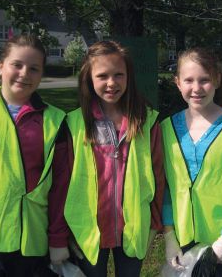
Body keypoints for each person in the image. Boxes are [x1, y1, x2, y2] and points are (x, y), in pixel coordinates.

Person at [0, 34, 68, 276]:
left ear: (41, 74)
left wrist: (58, 238)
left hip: (31, 238)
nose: (24, 73)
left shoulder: (54, 120)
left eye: (33, 68)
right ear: (0, 67)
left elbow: (60, 186)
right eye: (16, 65)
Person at [61, 40, 165, 277]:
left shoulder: (147, 120)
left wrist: (155, 223)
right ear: (89, 78)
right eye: (102, 76)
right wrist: (62, 230)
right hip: (87, 229)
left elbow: (158, 175)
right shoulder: (74, 123)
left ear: (129, 76)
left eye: (119, 74)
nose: (111, 83)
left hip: (134, 228)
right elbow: (63, 180)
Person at [161, 47, 222, 276]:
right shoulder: (166, 129)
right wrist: (169, 234)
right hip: (183, 244)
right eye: (189, 80)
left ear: (217, 80)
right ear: (177, 83)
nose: (196, 88)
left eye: (204, 80)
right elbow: (165, 187)